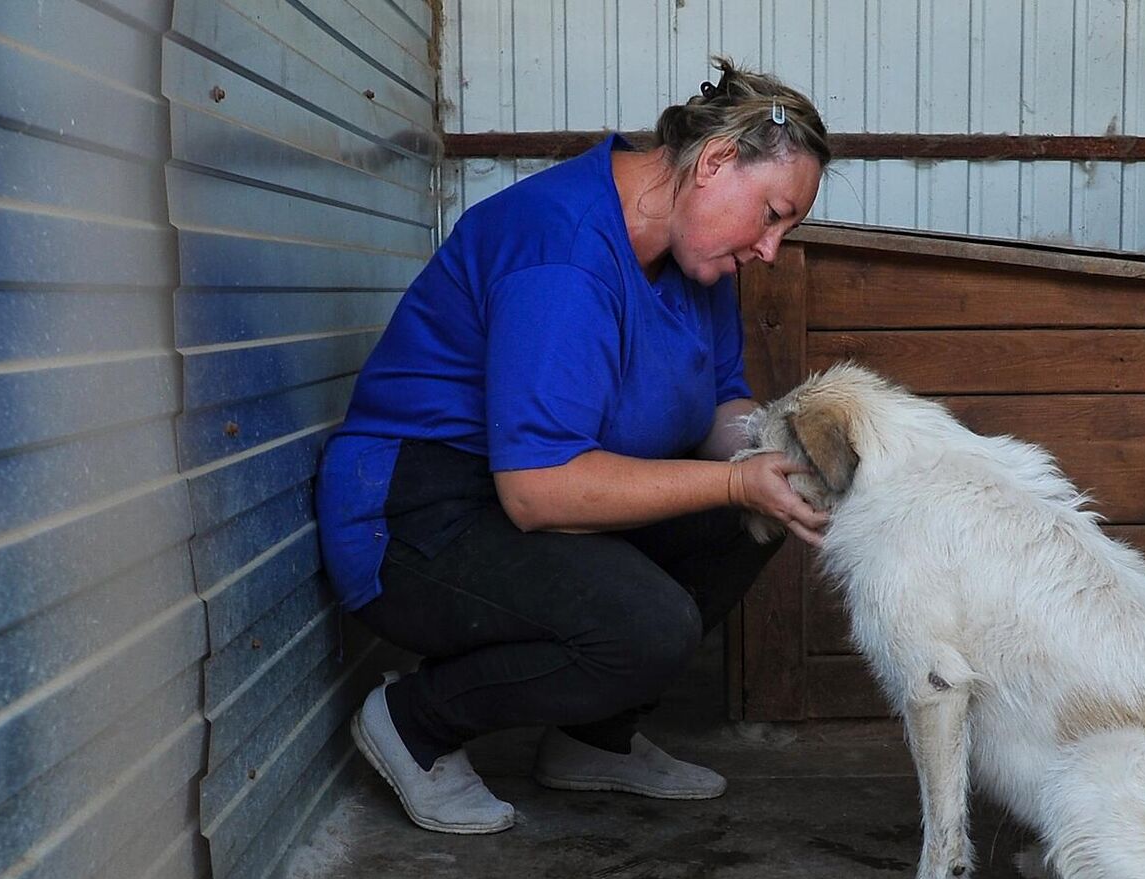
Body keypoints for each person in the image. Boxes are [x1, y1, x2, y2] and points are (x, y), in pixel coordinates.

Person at [315, 59, 832, 835]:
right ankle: (417, 721)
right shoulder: (564, 248)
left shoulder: (700, 261)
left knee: (755, 514)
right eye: (771, 215)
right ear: (717, 162)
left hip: (516, 497)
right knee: (650, 625)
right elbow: (540, 488)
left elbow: (724, 407)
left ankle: (595, 739)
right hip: (415, 517)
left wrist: (783, 454)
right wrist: (735, 483)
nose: (771, 249)